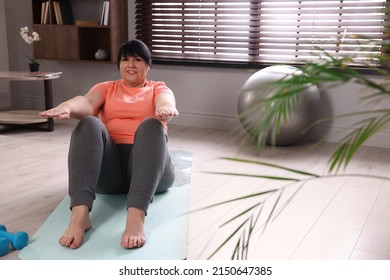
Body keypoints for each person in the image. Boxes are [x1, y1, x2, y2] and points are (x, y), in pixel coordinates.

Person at [39, 39, 179, 249]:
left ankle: (135, 217)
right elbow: (86, 103)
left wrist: (165, 110)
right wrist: (67, 107)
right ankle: (79, 217)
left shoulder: (158, 88)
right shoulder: (107, 88)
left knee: (152, 125)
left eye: (137, 60)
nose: (130, 64)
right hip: (110, 173)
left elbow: (166, 101)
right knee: (89, 123)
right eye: (125, 59)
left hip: (150, 170)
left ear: (148, 66)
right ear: (119, 65)